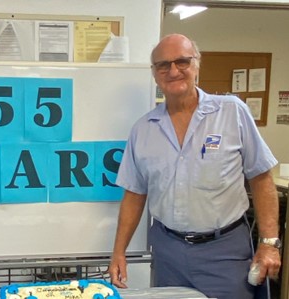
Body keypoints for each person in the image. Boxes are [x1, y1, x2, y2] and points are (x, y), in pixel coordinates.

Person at [108, 33, 281, 299]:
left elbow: (262, 178)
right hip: (168, 252)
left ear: (197, 65)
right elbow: (135, 194)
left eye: (182, 62)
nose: (173, 71)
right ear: (155, 74)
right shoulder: (143, 129)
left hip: (224, 252)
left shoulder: (232, 112)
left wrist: (269, 243)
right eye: (163, 65)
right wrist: (119, 252)